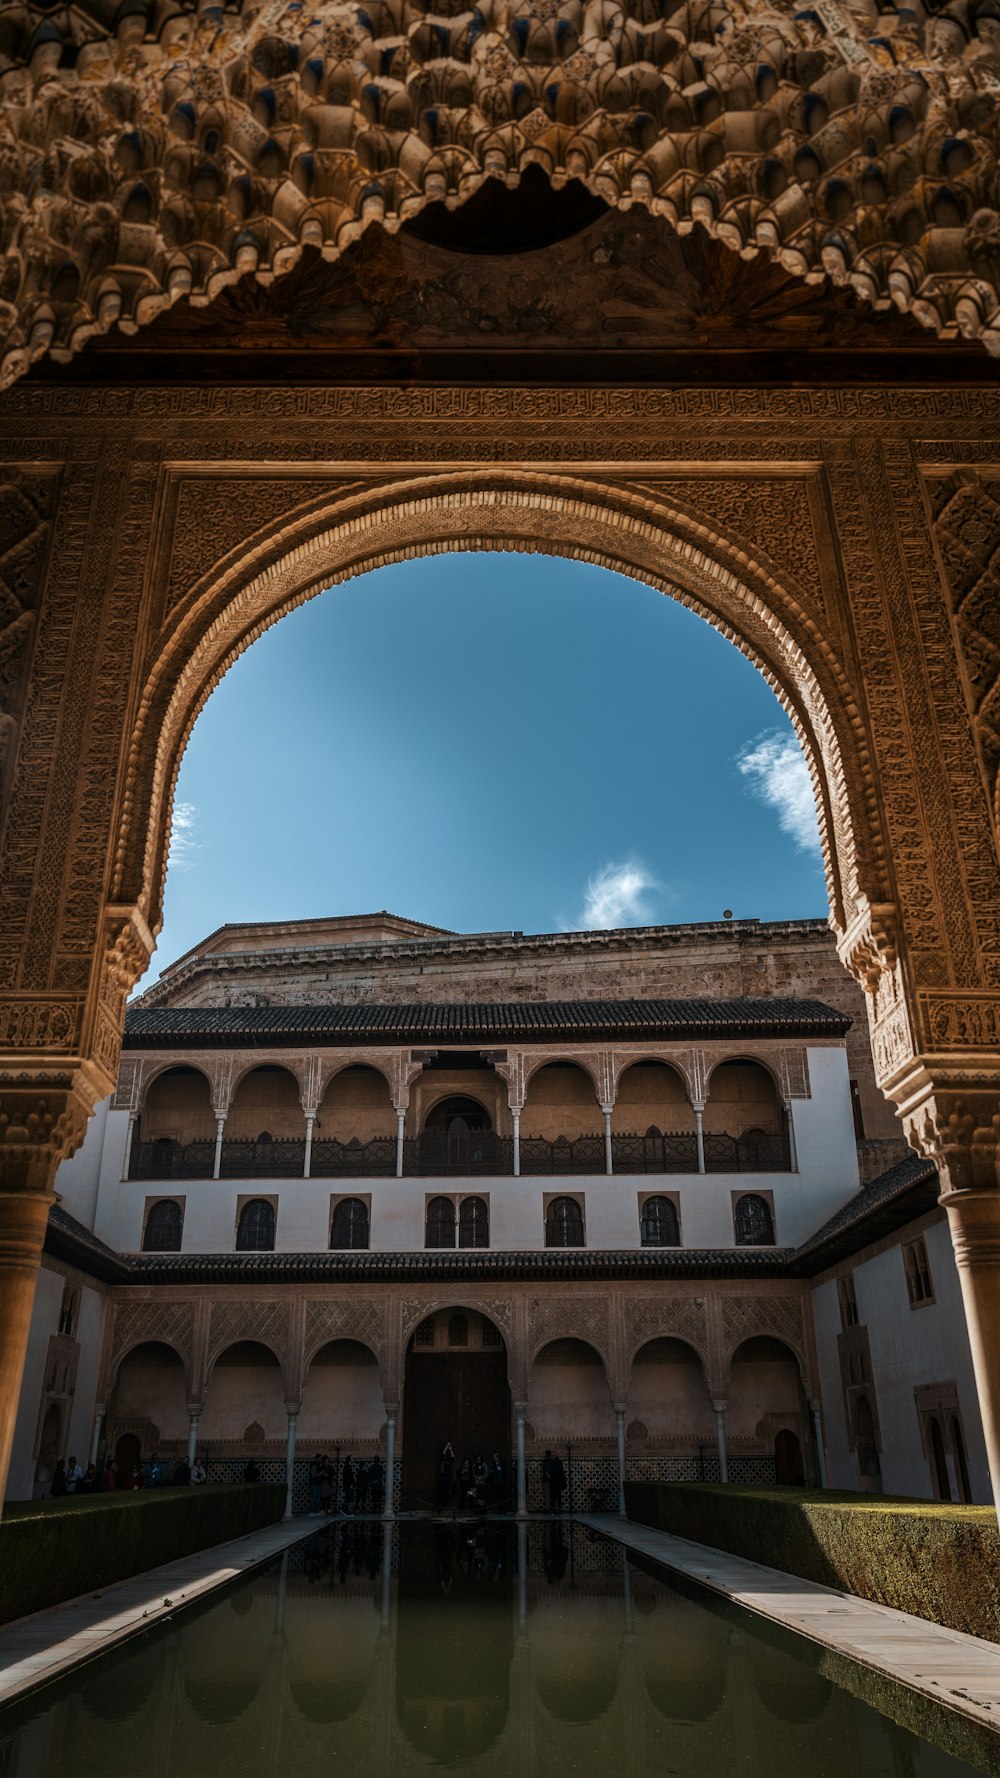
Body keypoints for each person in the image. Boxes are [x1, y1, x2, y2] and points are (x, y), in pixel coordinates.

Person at [435, 1442, 454, 1512]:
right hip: (441, 1479)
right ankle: (438, 1508)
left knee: (445, 1495)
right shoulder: (441, 1460)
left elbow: (453, 1458)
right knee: (439, 1494)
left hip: (447, 1480)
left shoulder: (449, 1462)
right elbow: (442, 1454)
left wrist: (451, 1449)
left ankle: (443, 1508)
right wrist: (446, 1446)